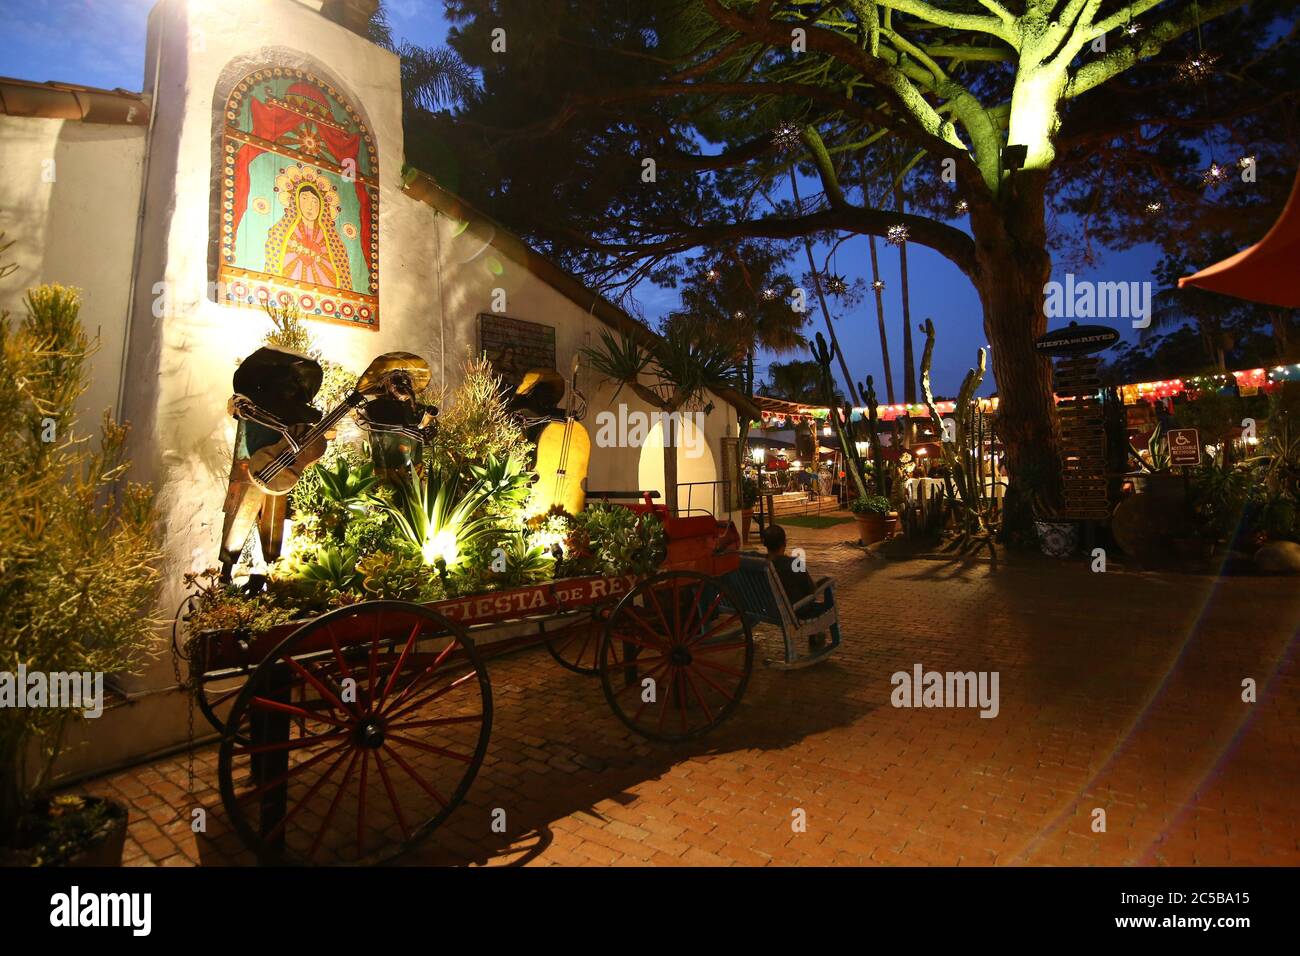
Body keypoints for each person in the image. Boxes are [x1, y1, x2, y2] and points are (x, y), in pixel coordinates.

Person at [761, 524, 834, 648]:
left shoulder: (761, 564)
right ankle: (817, 637)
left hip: (769, 609)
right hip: (796, 611)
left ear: (766, 544)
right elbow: (811, 590)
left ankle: (816, 636)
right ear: (784, 543)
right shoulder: (793, 564)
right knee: (823, 593)